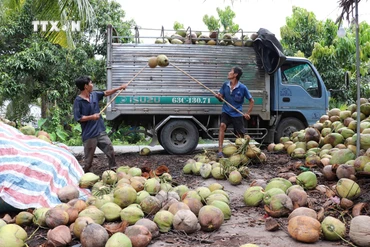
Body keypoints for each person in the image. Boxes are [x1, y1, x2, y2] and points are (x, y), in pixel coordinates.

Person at [73, 76, 127, 172]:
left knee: (110, 149)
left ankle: (113, 169)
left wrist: (119, 88)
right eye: (91, 83)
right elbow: (79, 118)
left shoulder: (94, 95)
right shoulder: (78, 101)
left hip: (100, 130)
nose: (92, 85)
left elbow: (106, 93)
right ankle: (86, 174)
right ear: (86, 86)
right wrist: (92, 117)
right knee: (88, 160)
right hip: (89, 134)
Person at [215, 66, 254, 158]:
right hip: (226, 111)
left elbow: (251, 101)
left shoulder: (242, 88)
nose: (229, 72)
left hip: (237, 113)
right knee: (222, 126)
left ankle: (240, 152)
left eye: (231, 71)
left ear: (235, 75)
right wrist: (219, 97)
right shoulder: (225, 85)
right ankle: (220, 150)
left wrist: (248, 113)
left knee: (240, 135)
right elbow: (221, 99)